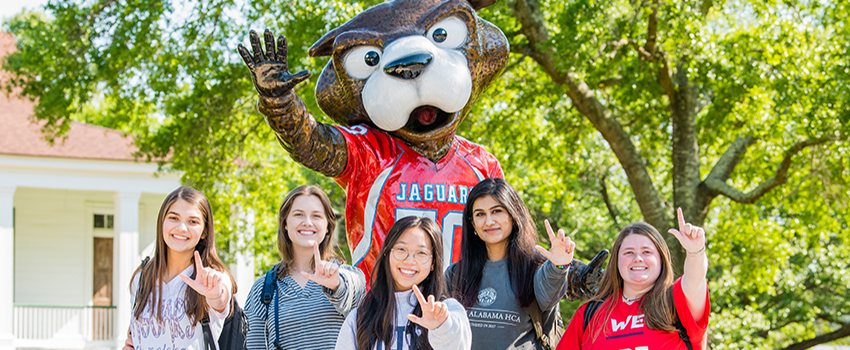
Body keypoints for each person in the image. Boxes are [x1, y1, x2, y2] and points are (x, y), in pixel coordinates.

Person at [445, 178, 575, 350]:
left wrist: (560, 266)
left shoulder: (535, 268)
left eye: (497, 211)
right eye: (480, 214)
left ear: (513, 216)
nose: (489, 221)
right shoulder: (456, 274)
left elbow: (550, 295)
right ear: (472, 223)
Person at [556, 208, 709, 349]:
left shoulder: (675, 301)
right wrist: (558, 268)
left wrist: (696, 252)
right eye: (628, 252)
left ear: (661, 259)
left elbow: (694, 282)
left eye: (647, 252)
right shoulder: (589, 313)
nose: (638, 258)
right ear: (616, 261)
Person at [244, 185, 366, 350]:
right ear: (285, 223)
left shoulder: (350, 276)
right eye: (298, 214)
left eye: (316, 216)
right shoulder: (263, 289)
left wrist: (336, 285)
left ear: (328, 226)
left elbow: (353, 297)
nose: (307, 222)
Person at [334, 216, 472, 350]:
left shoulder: (448, 311)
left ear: (433, 263)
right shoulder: (360, 317)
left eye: (421, 253)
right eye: (401, 249)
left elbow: (459, 345)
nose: (409, 260)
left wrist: (441, 327)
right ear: (386, 254)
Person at [127, 186, 236, 350]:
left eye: (193, 221)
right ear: (162, 221)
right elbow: (134, 336)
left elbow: (220, 300)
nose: (181, 228)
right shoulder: (142, 277)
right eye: (173, 218)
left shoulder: (214, 278)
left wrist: (215, 294)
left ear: (205, 231)